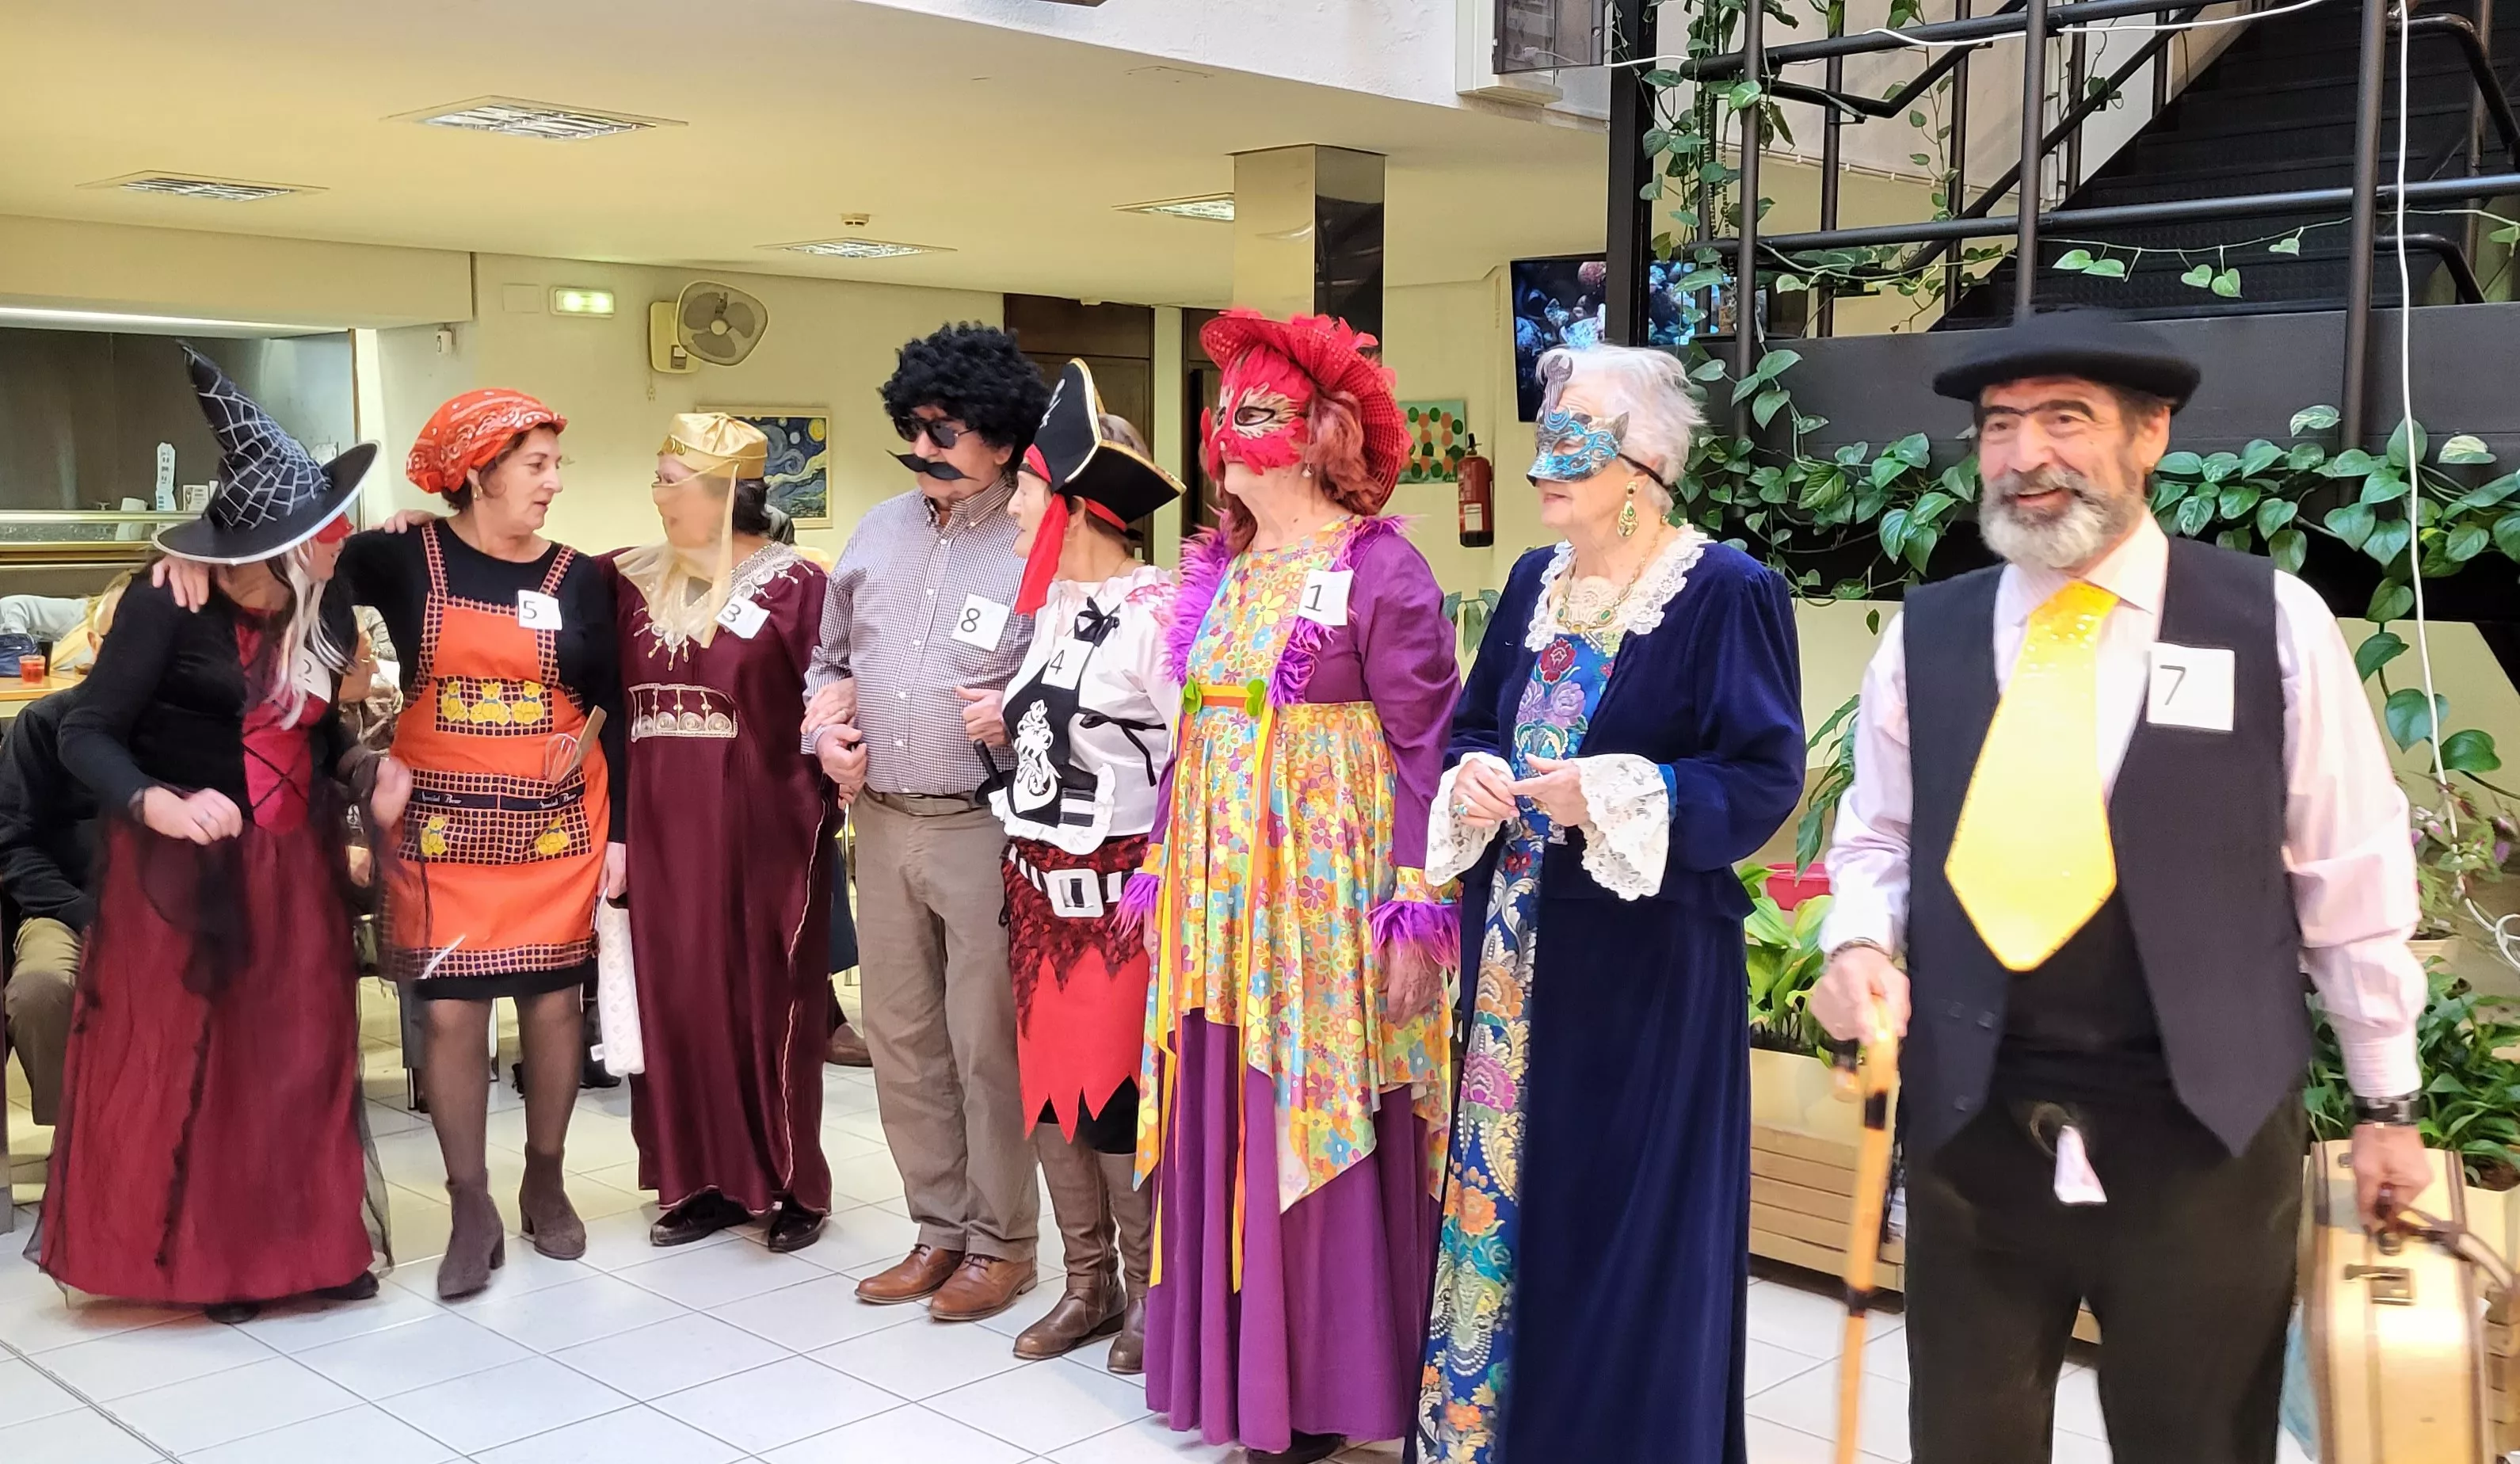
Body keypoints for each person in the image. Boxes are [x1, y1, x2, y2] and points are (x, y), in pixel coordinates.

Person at [1809, 309, 2432, 1464]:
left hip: (2202, 1139)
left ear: (2150, 435)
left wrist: (2386, 1103)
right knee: (1965, 1442)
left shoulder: (2269, 623)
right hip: (1974, 1131)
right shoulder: (1926, 635)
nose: (2025, 455)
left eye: (2066, 419)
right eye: (2000, 426)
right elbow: (1878, 838)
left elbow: (2348, 866)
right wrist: (1854, 947)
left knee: (2195, 1444)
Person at [1417, 345, 1805, 1464]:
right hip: (1512, 954)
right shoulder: (1532, 585)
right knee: (1507, 1195)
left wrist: (1620, 791)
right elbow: (1476, 724)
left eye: (1572, 437)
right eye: (1544, 432)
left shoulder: (1724, 590)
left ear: (1643, 465)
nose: (1542, 462)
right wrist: (1474, 773)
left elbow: (1761, 775)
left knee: (1619, 1211)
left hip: (1643, 972)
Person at [168, 389, 631, 1295]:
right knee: (451, 1012)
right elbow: (289, 559)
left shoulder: (580, 577)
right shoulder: (403, 555)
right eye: (535, 465)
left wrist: (631, 836)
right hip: (441, 825)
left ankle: (545, 1180)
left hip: (556, 825)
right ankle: (470, 1205)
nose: (553, 482)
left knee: (551, 1004)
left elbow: (611, 705)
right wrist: (187, 559)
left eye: (555, 465)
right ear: (479, 474)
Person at [1132, 310, 1461, 1464]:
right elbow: (1196, 734)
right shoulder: (1224, 567)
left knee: (1309, 1109)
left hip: (1321, 906)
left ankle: (1320, 1390)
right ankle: (1235, 1379)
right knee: (1225, 1100)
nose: (1229, 431)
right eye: (1224, 411)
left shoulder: (1382, 567)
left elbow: (1426, 747)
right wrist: (1164, 863)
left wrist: (1416, 909)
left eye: (1259, 412)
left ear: (1323, 435)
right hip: (1219, 905)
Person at [36, 345, 406, 1322]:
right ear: (268, 545)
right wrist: (156, 801)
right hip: (184, 872)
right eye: (322, 528)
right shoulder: (170, 600)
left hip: (296, 866)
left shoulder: (327, 605)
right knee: (216, 1063)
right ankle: (221, 1261)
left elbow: (318, 735)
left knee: (303, 1057)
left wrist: (368, 772)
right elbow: (84, 732)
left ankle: (311, 1249)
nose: (339, 538)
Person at [801, 322, 1050, 1321]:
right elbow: (827, 663)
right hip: (883, 819)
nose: (921, 447)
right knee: (902, 1039)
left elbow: (1083, 681)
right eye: (911, 426)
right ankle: (936, 1229)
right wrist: (823, 729)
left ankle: (1002, 1243)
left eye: (943, 431)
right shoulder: (876, 531)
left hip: (984, 823)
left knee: (986, 1045)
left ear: (1001, 436)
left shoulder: (1037, 539)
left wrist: (1017, 715)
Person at [984, 365, 1181, 1371]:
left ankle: (1150, 1292)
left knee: (1113, 1098)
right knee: (1052, 1095)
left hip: (1118, 900)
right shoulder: (1053, 606)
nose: (1011, 509)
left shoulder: (1160, 613)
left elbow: (1196, 761)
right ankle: (1087, 1282)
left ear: (1075, 502)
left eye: (1023, 489)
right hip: (1035, 896)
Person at [607, 414, 836, 1252]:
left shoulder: (797, 587)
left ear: (724, 489)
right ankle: (701, 1179)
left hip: (765, 829)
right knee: (678, 995)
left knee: (767, 999)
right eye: (659, 478)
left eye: (673, 480)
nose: (658, 494)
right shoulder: (627, 579)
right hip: (661, 831)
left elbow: (832, 695)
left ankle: (792, 1184)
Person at [0, 575, 126, 1125]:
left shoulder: (188, 733)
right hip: (65, 909)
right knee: (40, 991)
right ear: (93, 643)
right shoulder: (43, 725)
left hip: (173, 911)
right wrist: (86, 914)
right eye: (121, 636)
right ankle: (81, 1136)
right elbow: (14, 845)